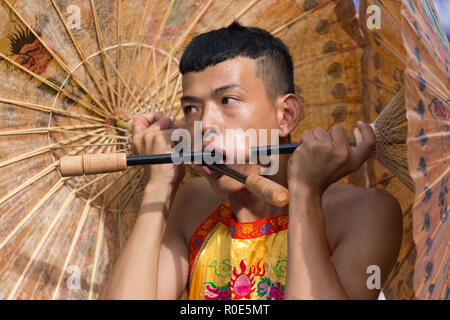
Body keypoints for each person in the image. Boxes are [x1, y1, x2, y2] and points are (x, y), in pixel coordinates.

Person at [100, 22, 402, 300]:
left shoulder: (365, 212)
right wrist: (159, 185)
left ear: (285, 116)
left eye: (227, 101)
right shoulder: (193, 204)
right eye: (191, 108)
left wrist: (305, 195)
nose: (204, 124)